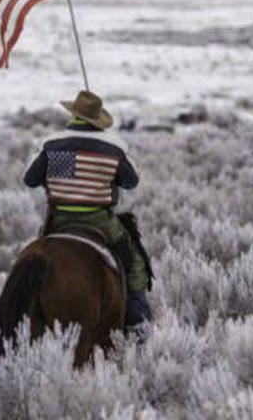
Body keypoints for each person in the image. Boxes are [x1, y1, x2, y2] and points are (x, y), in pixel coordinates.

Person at [23, 89, 153, 340]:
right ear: (96, 118)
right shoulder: (112, 146)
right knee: (134, 262)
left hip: (58, 220)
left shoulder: (51, 144)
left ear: (74, 114)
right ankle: (137, 322)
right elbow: (131, 181)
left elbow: (29, 179)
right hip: (99, 221)